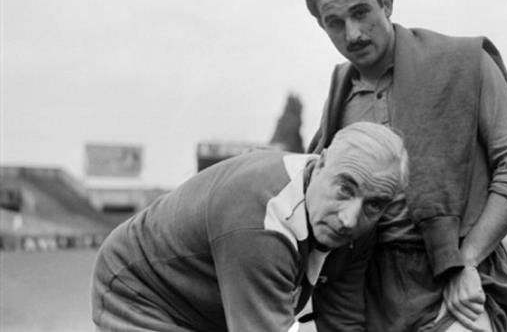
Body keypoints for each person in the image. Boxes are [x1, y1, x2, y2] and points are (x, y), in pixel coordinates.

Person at [306, 0, 507, 332]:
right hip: (364, 292)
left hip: (455, 280)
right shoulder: (339, 97)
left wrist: (465, 261)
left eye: (361, 12)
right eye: (335, 23)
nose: (353, 33)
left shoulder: (465, 63)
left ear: (387, 4)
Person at [91, 121, 409, 332]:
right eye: (345, 188)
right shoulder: (262, 219)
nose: (350, 219)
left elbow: (343, 319)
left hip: (214, 304)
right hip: (142, 289)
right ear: (321, 162)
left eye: (375, 204)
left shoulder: (360, 222)